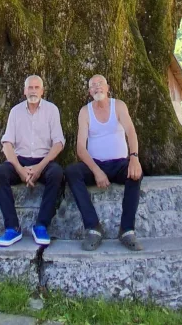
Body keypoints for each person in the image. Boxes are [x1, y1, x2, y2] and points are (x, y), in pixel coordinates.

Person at [65, 74, 143, 251]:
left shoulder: (119, 106)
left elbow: (131, 131)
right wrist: (96, 171)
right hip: (96, 166)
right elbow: (80, 148)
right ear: (90, 91)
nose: (97, 87)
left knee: (136, 174)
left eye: (100, 84)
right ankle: (93, 228)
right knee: (71, 172)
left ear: (107, 88)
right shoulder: (85, 111)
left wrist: (134, 157)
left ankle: (127, 230)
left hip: (119, 164)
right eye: (93, 85)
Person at [0, 74, 65, 247]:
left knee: (57, 173)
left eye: (36, 87)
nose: (33, 91)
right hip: (20, 159)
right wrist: (19, 169)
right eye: (30, 87)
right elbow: (7, 143)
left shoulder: (51, 110)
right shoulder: (15, 111)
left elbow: (59, 143)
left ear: (42, 91)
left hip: (44, 160)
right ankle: (12, 228)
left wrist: (39, 167)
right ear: (24, 91)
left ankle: (41, 226)